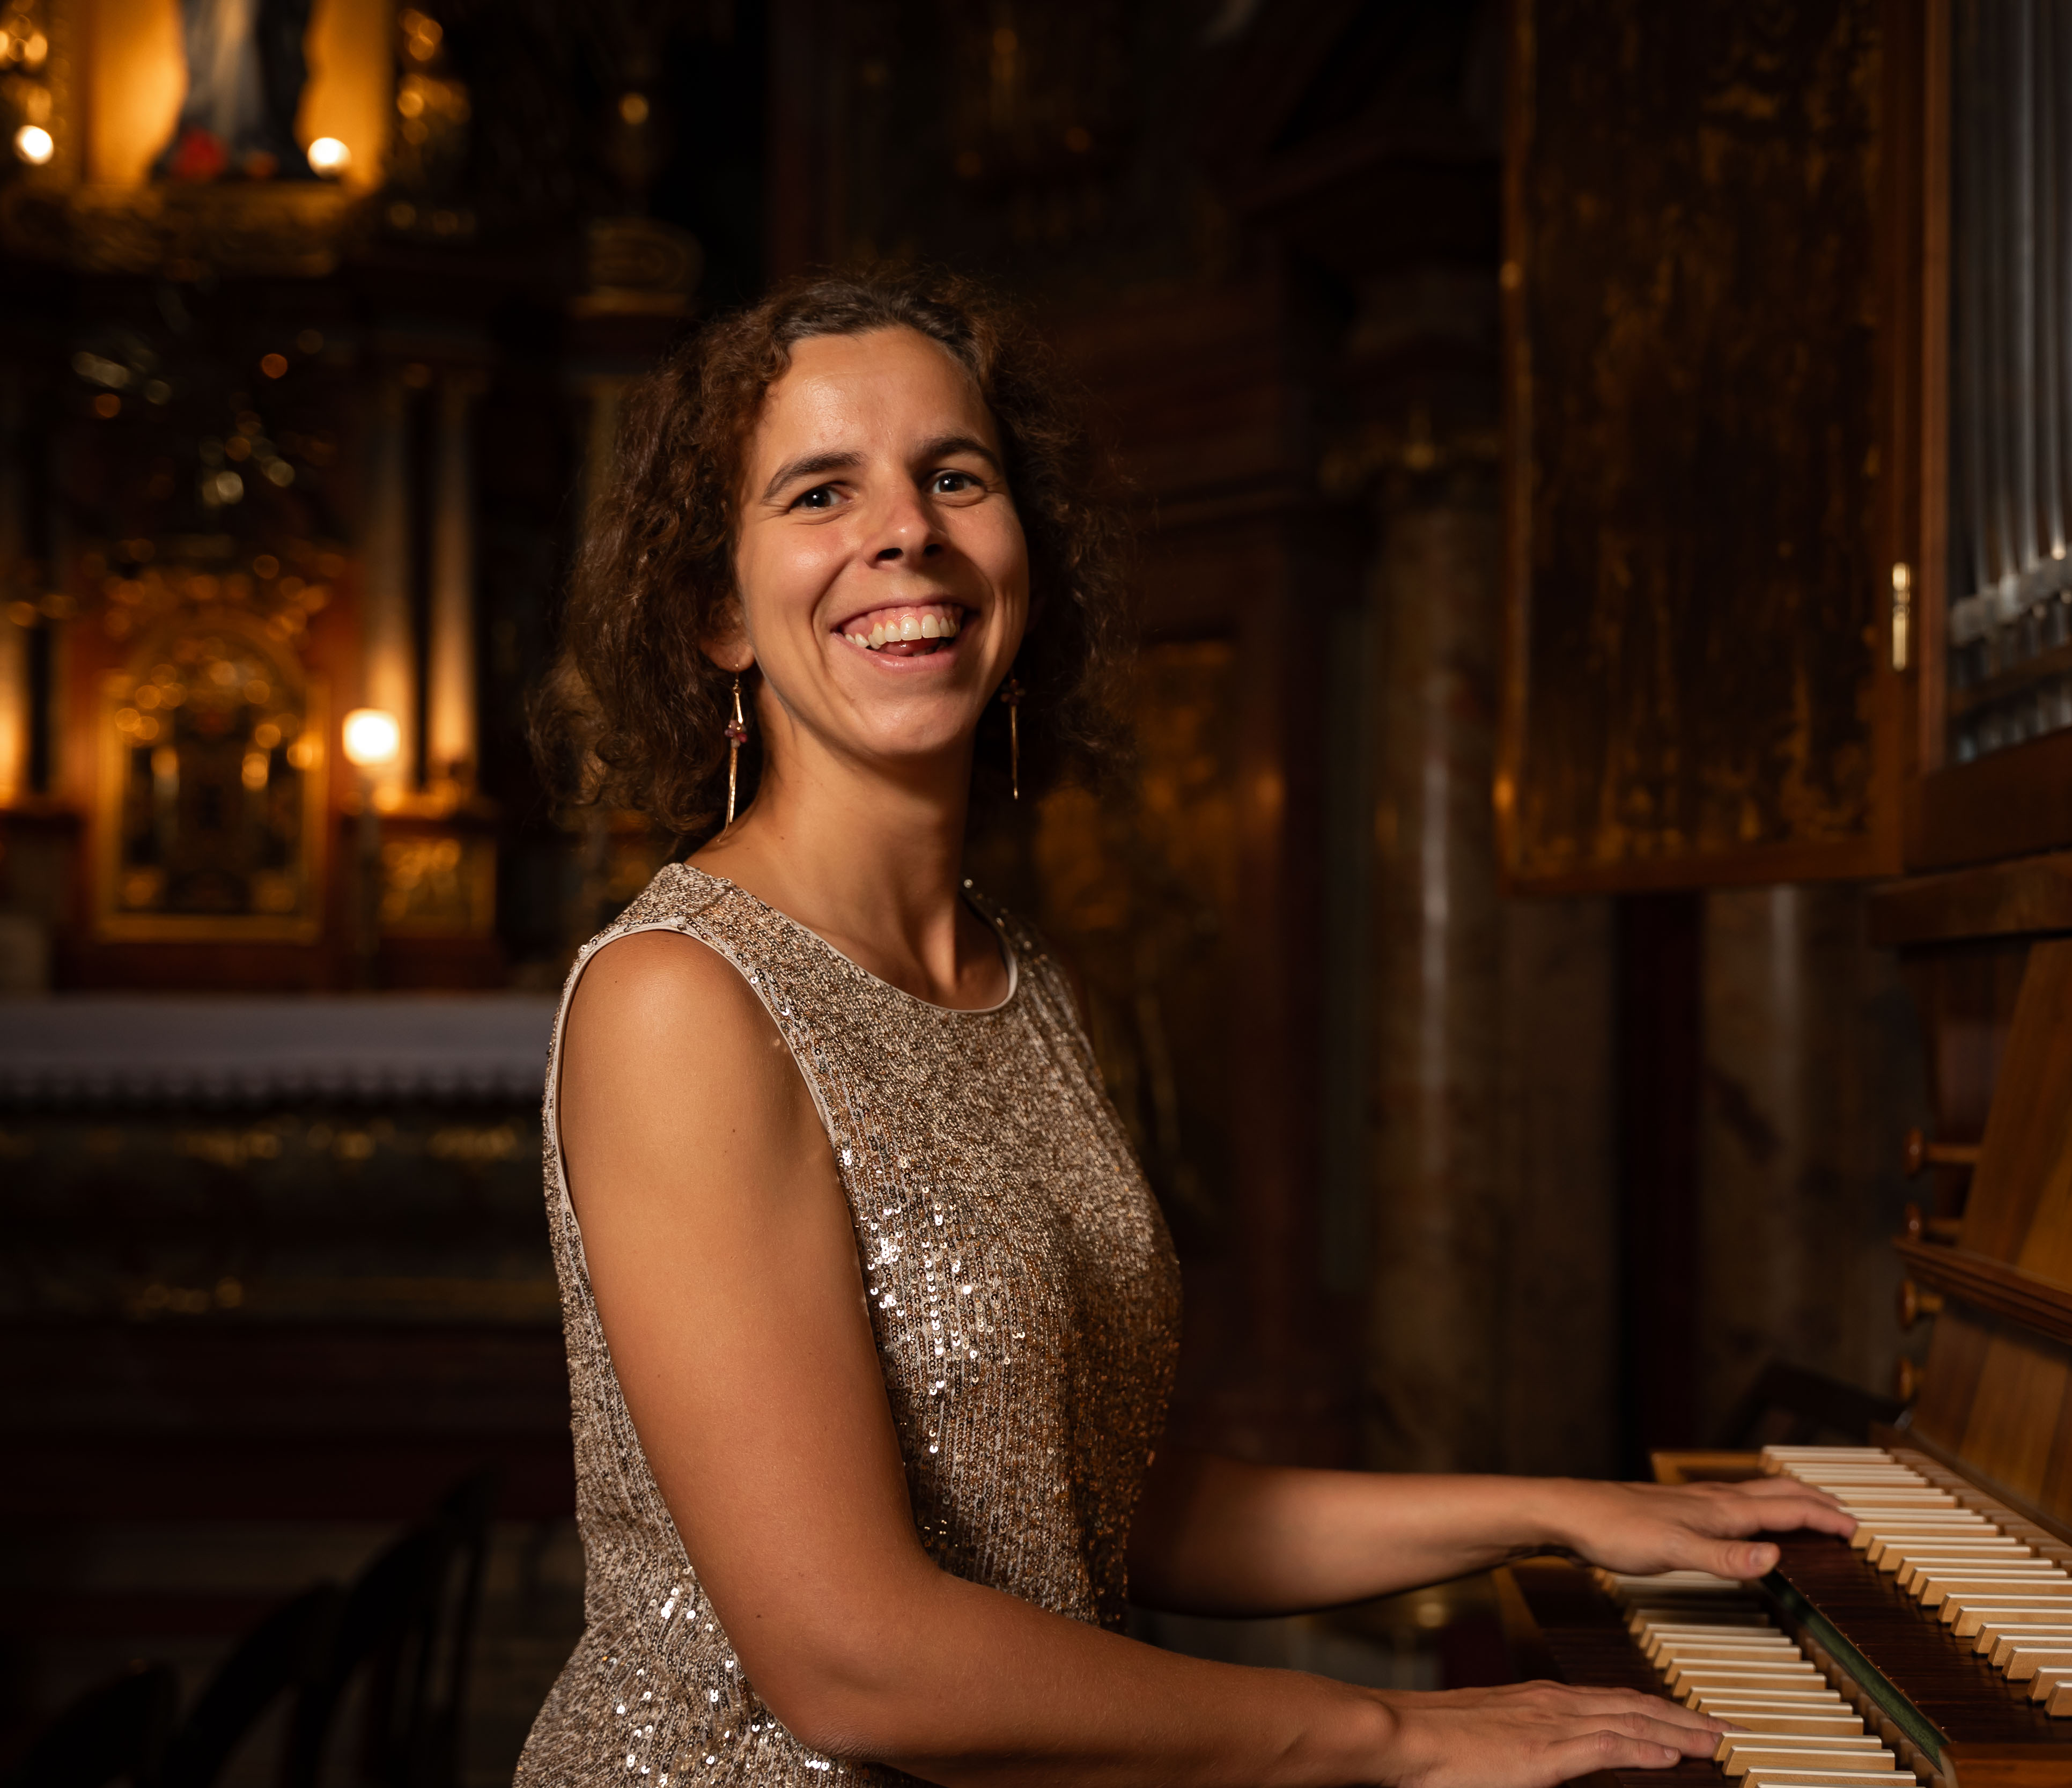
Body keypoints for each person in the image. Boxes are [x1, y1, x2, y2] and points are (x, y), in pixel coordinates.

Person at [522, 268, 1851, 1788]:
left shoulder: (1025, 983)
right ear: (714, 615)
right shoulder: (680, 1001)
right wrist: (1396, 1735)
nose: (908, 531)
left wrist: (1551, 1508)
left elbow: (1098, 1508)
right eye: (822, 492)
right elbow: (852, 1662)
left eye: (957, 476)